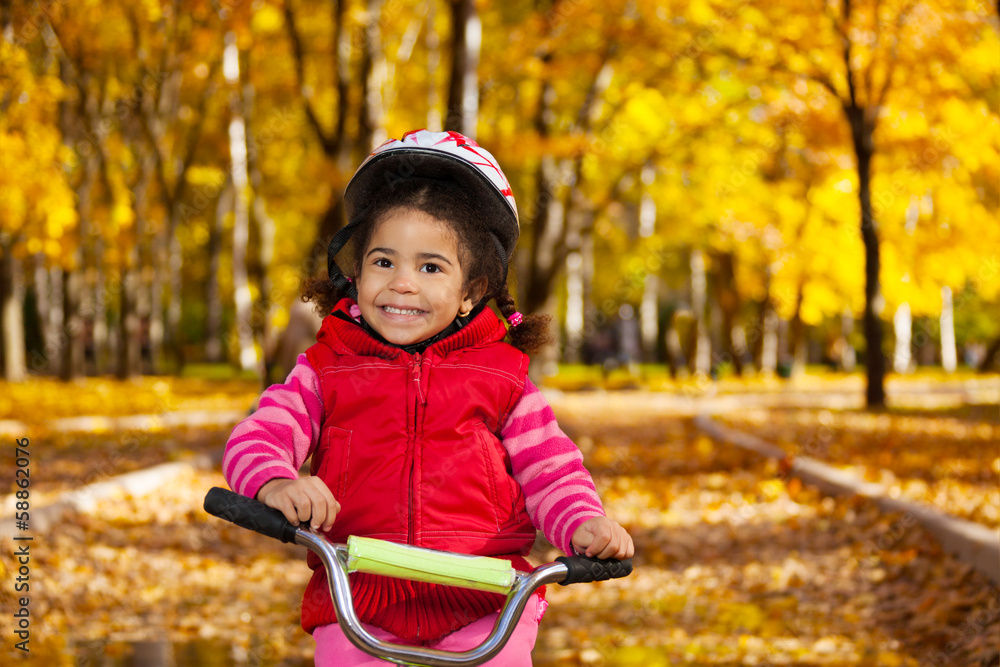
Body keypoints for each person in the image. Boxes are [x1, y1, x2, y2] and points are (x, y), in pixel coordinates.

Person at [222, 130, 634, 666]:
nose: (402, 284)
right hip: (359, 598)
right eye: (384, 262)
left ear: (470, 292)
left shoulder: (505, 378)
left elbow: (550, 470)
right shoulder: (326, 369)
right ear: (356, 272)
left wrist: (582, 522)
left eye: (431, 267)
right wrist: (276, 480)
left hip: (487, 600)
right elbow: (260, 433)